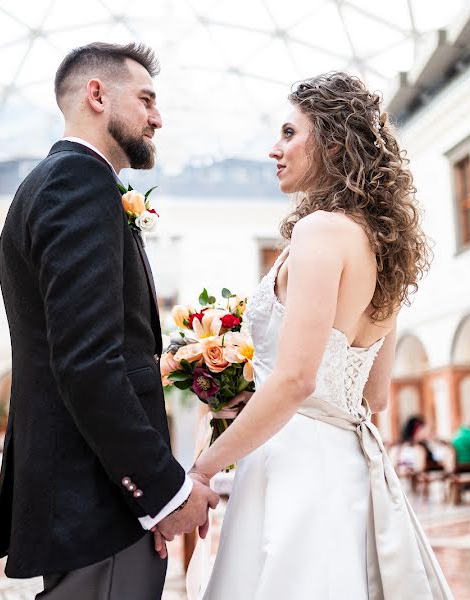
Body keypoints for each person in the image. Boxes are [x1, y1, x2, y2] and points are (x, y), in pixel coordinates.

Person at [189, 72, 452, 599]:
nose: (274, 149)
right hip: (346, 461)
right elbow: (373, 396)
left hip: (293, 465)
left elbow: (295, 381)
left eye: (289, 133)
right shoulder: (384, 248)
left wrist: (200, 470)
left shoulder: (320, 231)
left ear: (332, 142)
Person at [0, 42, 219, 599]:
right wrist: (162, 493)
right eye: (146, 100)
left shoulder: (56, 182)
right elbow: (88, 363)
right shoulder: (77, 183)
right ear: (96, 95)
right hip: (97, 502)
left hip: (90, 496)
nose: (158, 117)